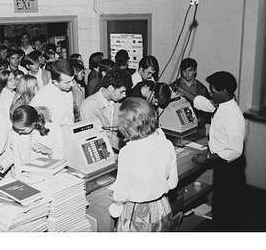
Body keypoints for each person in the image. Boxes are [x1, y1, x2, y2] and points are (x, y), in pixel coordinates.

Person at [177, 71, 245, 231]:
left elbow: (234, 151)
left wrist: (207, 157)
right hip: (222, 163)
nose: (210, 94)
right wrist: (183, 92)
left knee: (224, 209)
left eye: (213, 91)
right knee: (220, 205)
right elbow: (204, 103)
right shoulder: (221, 104)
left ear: (224, 92)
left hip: (230, 169)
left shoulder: (233, 116)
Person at [108, 97, 178, 231]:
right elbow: (172, 183)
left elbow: (122, 193)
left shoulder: (128, 151)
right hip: (163, 207)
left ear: (126, 124)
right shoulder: (166, 143)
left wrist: (116, 201)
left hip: (139, 213)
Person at [0, 105, 64, 179]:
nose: (19, 132)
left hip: (43, 177)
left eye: (22, 130)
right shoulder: (16, 131)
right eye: (17, 129)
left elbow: (59, 159)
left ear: (32, 124)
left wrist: (49, 151)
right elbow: (13, 153)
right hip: (21, 176)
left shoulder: (54, 130)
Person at [80, 67, 132, 151]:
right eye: (122, 92)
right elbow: (96, 136)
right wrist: (125, 146)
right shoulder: (89, 106)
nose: (124, 95)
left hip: (113, 149)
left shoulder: (117, 102)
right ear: (111, 88)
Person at [30, 59, 75, 126]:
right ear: (55, 82)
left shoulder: (67, 88)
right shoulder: (43, 95)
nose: (72, 84)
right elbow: (31, 119)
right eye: (67, 82)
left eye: (72, 80)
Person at [169, 58, 211, 126]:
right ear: (180, 71)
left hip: (197, 127)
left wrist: (199, 120)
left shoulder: (202, 89)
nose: (187, 74)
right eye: (184, 71)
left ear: (195, 71)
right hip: (177, 125)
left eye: (190, 70)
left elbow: (207, 111)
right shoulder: (173, 87)